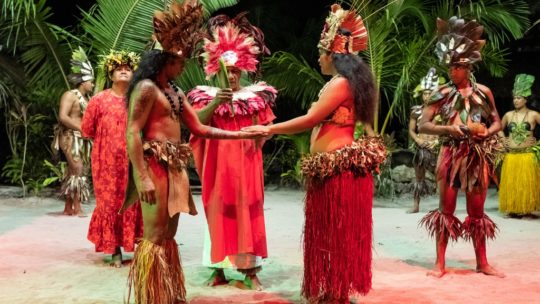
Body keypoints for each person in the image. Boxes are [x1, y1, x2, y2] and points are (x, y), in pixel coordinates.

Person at [122, 1, 263, 303]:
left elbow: (199, 127)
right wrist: (142, 176)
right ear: (164, 60)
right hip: (154, 164)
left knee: (169, 234)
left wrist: (235, 134)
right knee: (155, 234)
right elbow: (132, 132)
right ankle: (151, 296)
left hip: (174, 165)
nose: (183, 67)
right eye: (178, 61)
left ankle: (167, 293)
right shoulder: (146, 89)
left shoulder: (175, 92)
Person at [243, 4, 386, 303]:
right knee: (330, 233)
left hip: (337, 169)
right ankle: (334, 289)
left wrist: (268, 129)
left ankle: (338, 293)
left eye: (320, 53)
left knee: (336, 234)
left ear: (331, 55)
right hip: (328, 168)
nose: (317, 59)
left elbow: (309, 120)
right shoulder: (338, 83)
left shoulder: (340, 85)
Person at [188, 13, 276, 290]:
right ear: (216, 71)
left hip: (247, 168)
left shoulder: (255, 98)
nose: (233, 76)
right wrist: (216, 103)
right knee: (218, 214)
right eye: (228, 72)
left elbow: (266, 131)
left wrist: (254, 144)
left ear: (244, 70)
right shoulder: (203, 96)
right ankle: (218, 269)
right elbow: (196, 125)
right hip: (218, 168)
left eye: (237, 71)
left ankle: (249, 271)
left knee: (248, 215)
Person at [418, 16, 505, 278]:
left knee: (477, 211)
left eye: (457, 67)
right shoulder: (440, 93)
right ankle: (440, 263)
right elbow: (423, 124)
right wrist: (449, 129)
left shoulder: (484, 92)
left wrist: (487, 132)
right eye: (450, 66)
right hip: (450, 155)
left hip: (476, 157)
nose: (451, 71)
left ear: (468, 67)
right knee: (446, 208)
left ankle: (482, 262)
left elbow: (498, 121)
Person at [81, 50, 143, 267]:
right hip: (105, 162)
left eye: (128, 68)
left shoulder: (139, 99)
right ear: (111, 73)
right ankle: (114, 249)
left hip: (134, 160)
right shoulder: (99, 100)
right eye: (119, 68)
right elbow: (86, 130)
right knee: (109, 204)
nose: (124, 71)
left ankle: (138, 249)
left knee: (134, 201)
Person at [55, 47, 94, 216]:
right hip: (69, 137)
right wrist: (81, 128)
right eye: (91, 81)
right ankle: (77, 207)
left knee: (76, 171)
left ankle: (68, 208)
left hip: (82, 139)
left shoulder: (86, 99)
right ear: (83, 81)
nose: (92, 84)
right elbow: (63, 117)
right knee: (77, 169)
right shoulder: (70, 95)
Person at [498, 74, 540, 218]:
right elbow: (498, 128)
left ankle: (527, 209)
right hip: (512, 156)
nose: (516, 100)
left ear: (526, 99)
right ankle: (513, 208)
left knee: (526, 184)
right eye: (514, 98)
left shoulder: (534, 115)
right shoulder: (508, 115)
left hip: (527, 155)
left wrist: (538, 143)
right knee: (512, 183)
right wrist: (503, 140)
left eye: (519, 97)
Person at [407, 68, 440, 213]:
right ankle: (416, 205)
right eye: (425, 93)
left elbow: (445, 129)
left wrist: (437, 142)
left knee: (440, 177)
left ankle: (442, 205)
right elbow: (411, 130)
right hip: (421, 149)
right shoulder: (417, 111)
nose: (426, 96)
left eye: (429, 93)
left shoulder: (441, 111)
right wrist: (418, 141)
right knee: (419, 178)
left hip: (436, 148)